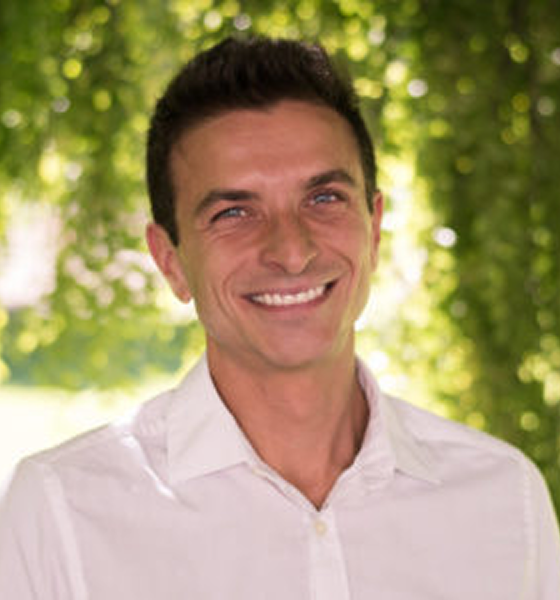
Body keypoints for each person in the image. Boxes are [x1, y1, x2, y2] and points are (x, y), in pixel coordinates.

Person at [0, 35, 558, 599]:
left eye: (324, 198)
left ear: (374, 230)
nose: (292, 252)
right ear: (170, 261)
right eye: (234, 212)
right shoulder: (62, 513)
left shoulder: (505, 500)